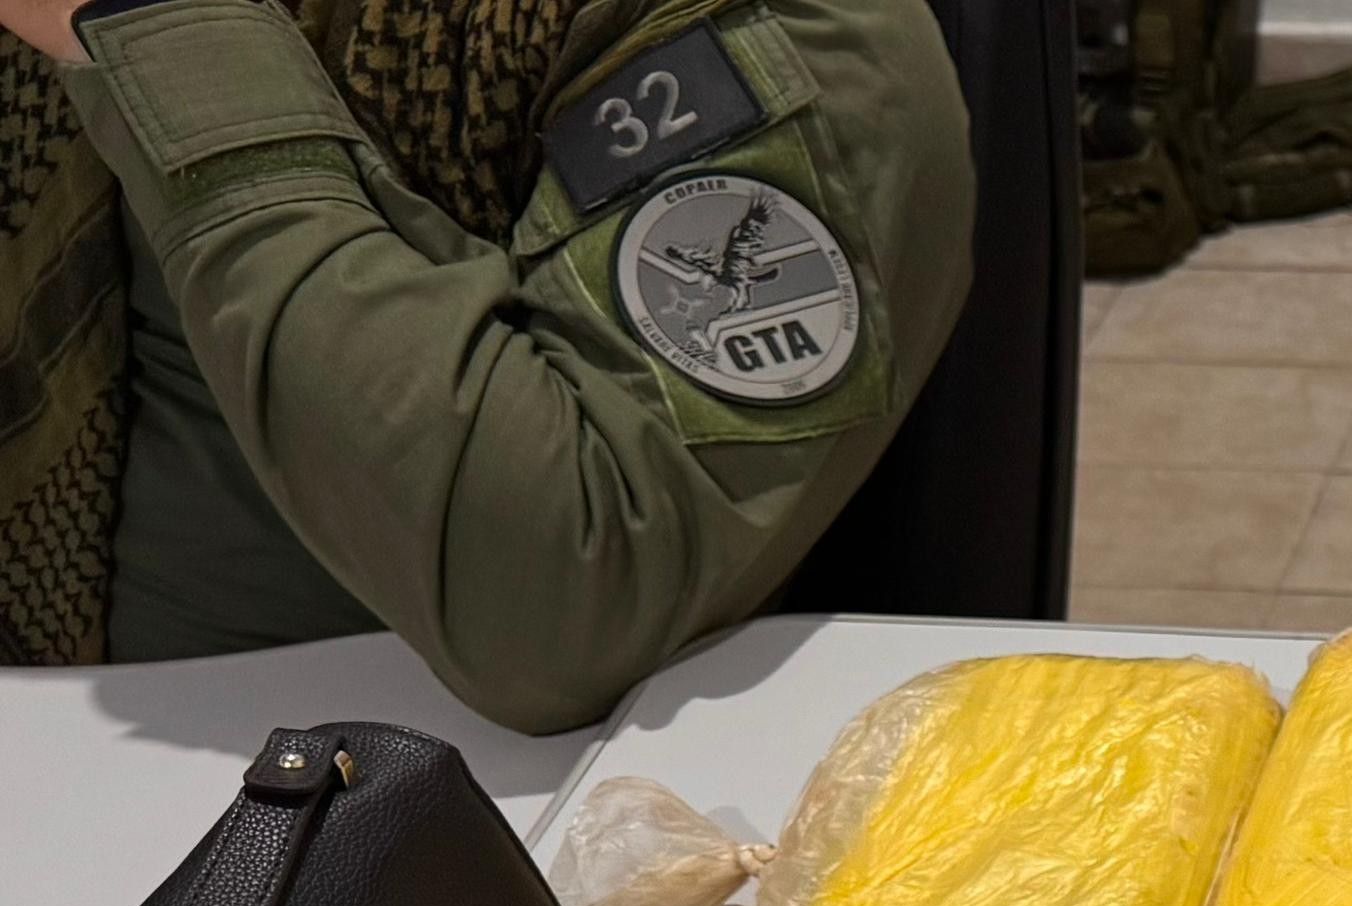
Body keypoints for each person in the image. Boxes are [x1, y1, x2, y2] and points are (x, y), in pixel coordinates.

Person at [0, 0, 971, 730]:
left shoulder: (777, 26)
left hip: (409, 812)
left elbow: (563, 606)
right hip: (65, 739)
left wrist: (166, 34)